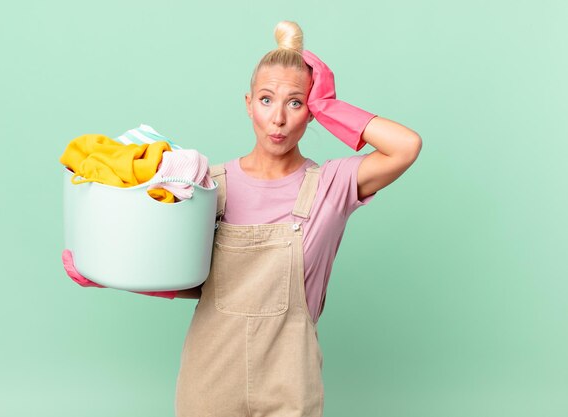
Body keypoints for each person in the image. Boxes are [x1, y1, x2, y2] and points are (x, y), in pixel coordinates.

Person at [62, 20, 422, 417]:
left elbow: (406, 147)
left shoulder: (332, 185)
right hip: (210, 376)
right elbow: (193, 281)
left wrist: (330, 106)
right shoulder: (207, 185)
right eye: (267, 99)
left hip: (291, 380)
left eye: (296, 102)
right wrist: (106, 273)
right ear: (248, 103)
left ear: (311, 112)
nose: (279, 118)